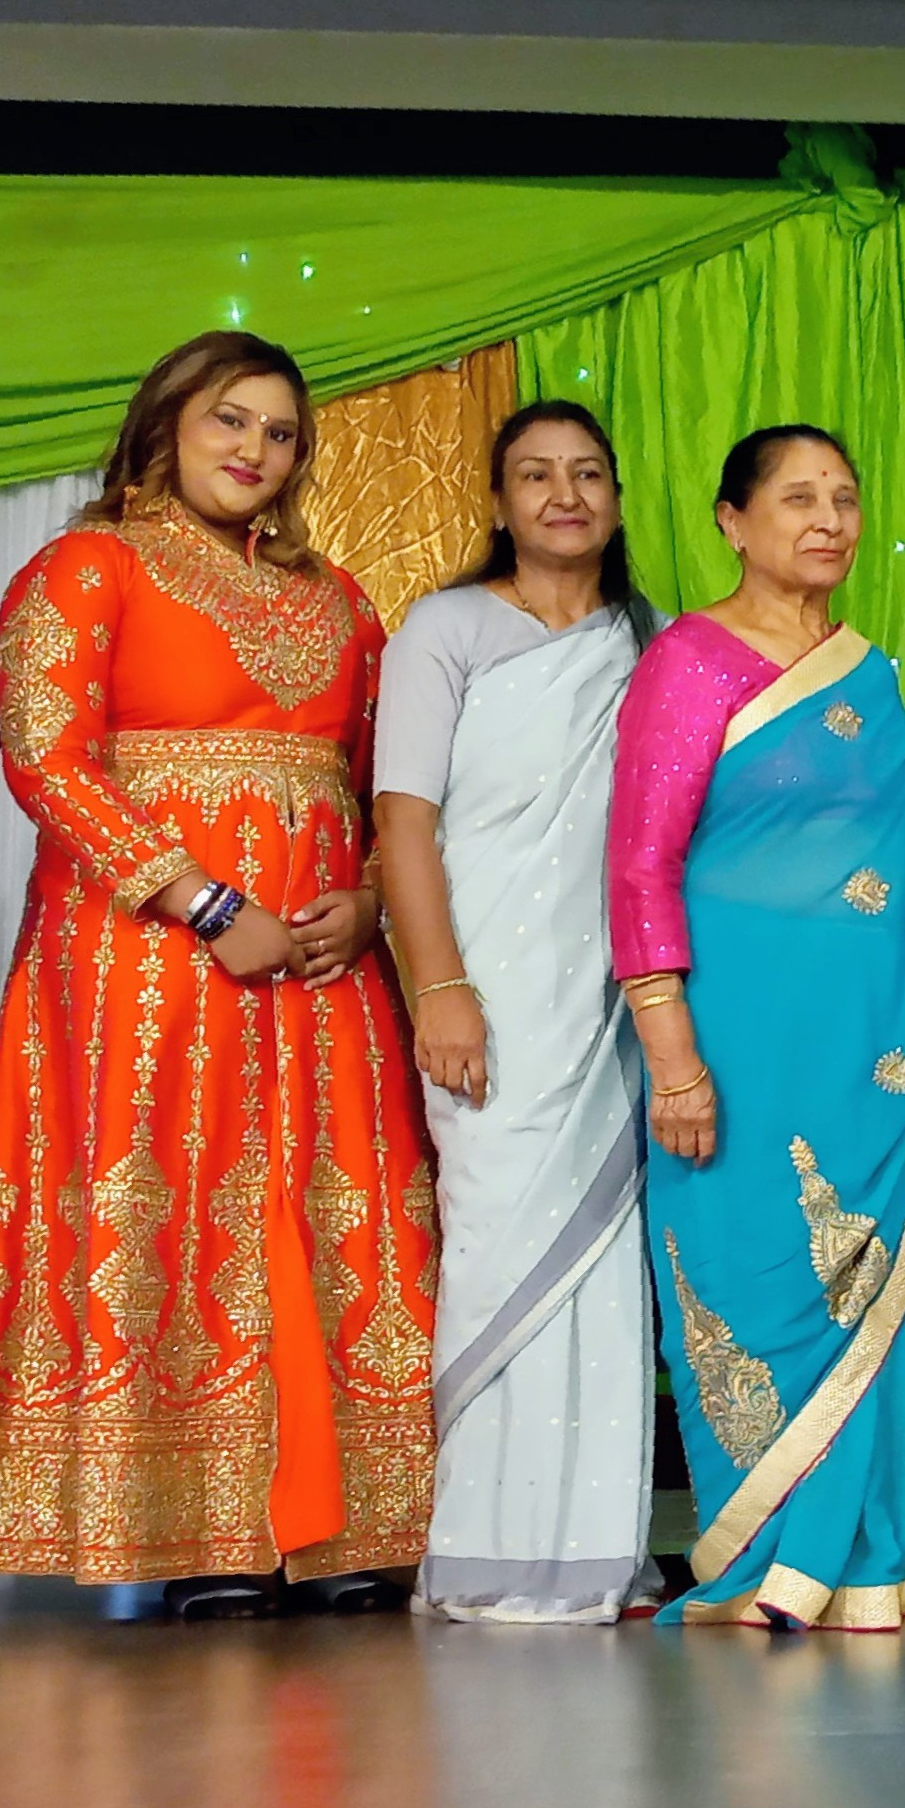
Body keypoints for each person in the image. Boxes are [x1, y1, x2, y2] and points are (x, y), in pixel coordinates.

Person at [0, 331, 434, 1620]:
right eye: (231, 422)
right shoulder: (87, 567)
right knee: (182, 1207)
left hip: (321, 967)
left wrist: (367, 903)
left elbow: (388, 782)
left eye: (281, 434)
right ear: (165, 423)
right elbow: (44, 759)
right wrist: (204, 901)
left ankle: (343, 1524)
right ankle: (199, 1531)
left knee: (330, 1207)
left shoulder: (343, 599)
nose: (257, 451)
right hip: (146, 962)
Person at [608, 424, 905, 1632]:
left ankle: (872, 1558)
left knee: (863, 1278)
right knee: (750, 1277)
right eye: (795, 498)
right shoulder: (689, 662)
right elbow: (637, 867)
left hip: (869, 1048)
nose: (826, 519)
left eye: (844, 497)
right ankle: (759, 1557)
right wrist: (671, 1054)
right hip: (732, 1041)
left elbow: (899, 866)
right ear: (732, 520)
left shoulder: (869, 673)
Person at [368, 401, 661, 1623]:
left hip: (612, 994)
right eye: (535, 476)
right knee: (496, 1242)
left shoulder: (648, 642)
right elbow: (402, 822)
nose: (564, 495)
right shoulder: (445, 629)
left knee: (604, 1261)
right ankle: (488, 1544)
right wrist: (441, 987)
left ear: (615, 498)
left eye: (587, 473)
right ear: (496, 502)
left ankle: (592, 1549)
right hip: (485, 988)